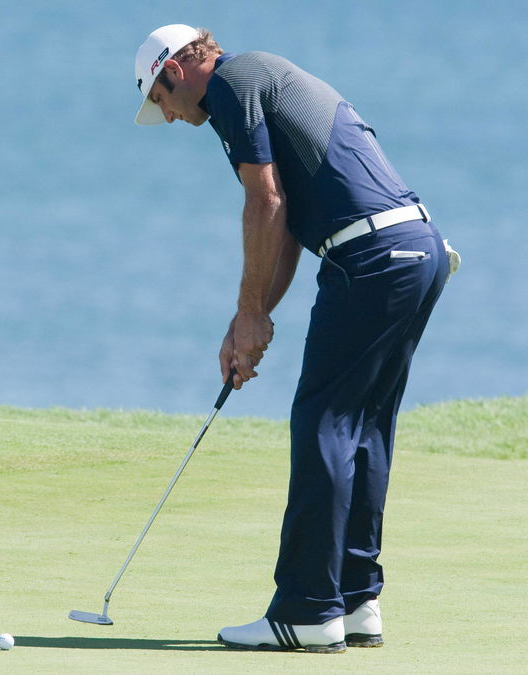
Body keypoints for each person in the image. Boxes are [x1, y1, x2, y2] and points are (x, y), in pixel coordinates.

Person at [133, 24, 457, 654]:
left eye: (160, 101)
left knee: (323, 423)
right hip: (416, 250)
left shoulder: (232, 83)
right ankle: (355, 599)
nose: (167, 117)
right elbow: (281, 224)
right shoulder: (259, 77)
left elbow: (265, 202)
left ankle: (308, 609)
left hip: (371, 258)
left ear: (175, 71)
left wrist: (249, 314)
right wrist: (250, 318)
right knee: (362, 426)